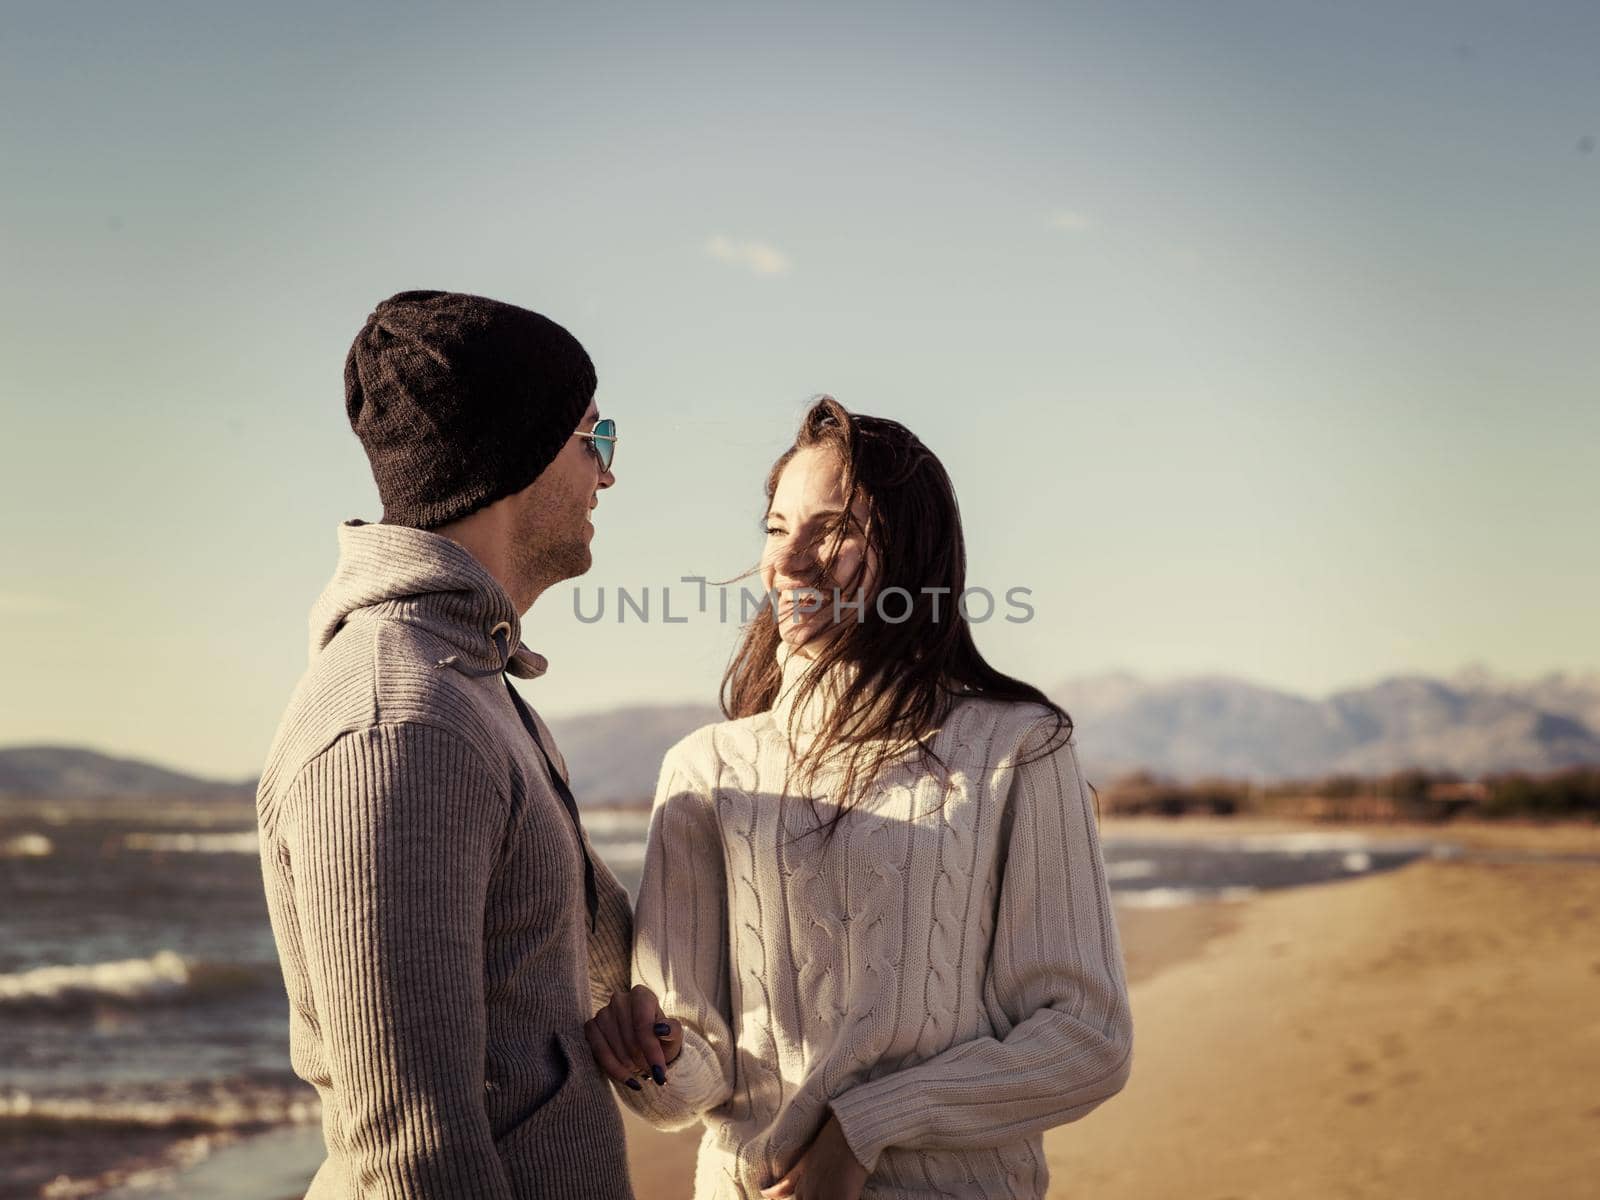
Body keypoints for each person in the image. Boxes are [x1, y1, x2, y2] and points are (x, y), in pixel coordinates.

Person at [585, 396, 1133, 1199]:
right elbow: (694, 1072)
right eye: (777, 528)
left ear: (911, 553)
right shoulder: (708, 769)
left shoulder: (1016, 749)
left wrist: (867, 1126)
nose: (789, 562)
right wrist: (654, 1057)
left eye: (833, 529)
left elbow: (1087, 1039)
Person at [256, 290, 642, 1199]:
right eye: (596, 437)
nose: (609, 474)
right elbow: (410, 1142)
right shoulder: (401, 722)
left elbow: (540, 974)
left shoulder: (471, 683)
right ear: (518, 450)